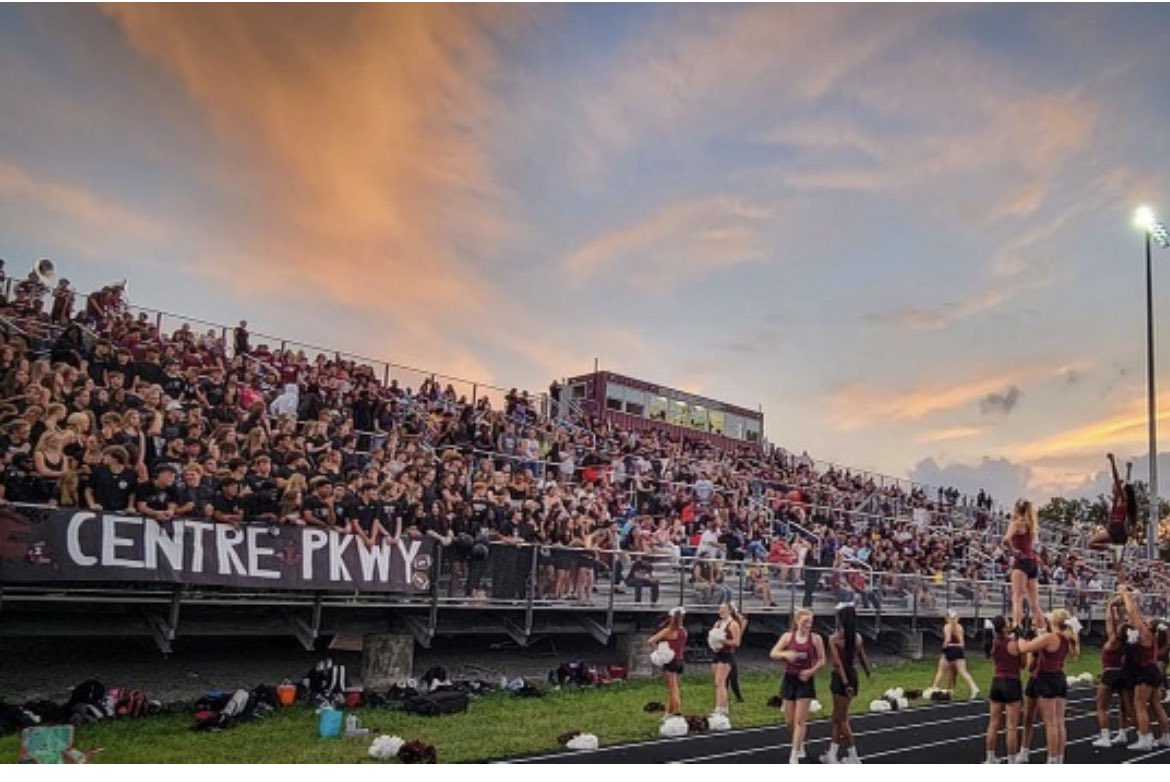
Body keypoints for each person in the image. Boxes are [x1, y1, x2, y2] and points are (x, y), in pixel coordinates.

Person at [1018, 608, 1080, 763]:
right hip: (1056, 679)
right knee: (1057, 721)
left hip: (1045, 679)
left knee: (1051, 723)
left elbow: (1024, 648)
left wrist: (1019, 635)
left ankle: (1051, 759)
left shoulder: (1051, 637)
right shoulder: (1065, 638)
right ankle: (1058, 758)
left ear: (1054, 621)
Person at [770, 607, 825, 764]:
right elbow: (773, 653)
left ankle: (794, 754)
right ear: (797, 621)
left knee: (800, 720)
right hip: (789, 679)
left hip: (805, 681)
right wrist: (786, 654)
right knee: (789, 720)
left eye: (810, 621)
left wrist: (810, 671)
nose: (808, 624)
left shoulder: (816, 639)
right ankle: (799, 743)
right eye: (805, 621)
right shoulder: (788, 637)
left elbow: (822, 659)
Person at [1119, 587, 1170, 750]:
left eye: (1147, 620)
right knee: (1156, 704)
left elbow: (1133, 613)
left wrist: (1125, 594)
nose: (1144, 619)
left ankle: (1145, 739)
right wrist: (1133, 597)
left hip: (1146, 672)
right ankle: (1165, 736)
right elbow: (1137, 614)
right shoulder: (1152, 635)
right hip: (1154, 671)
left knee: (1139, 705)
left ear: (1149, 625)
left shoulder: (1145, 633)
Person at [821, 602, 871, 764]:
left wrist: (845, 683)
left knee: (842, 719)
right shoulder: (857, 637)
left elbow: (837, 663)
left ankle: (853, 756)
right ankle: (832, 753)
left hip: (841, 679)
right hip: (853, 676)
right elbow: (862, 657)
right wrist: (868, 674)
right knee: (837, 716)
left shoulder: (834, 638)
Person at [1093, 595, 1136, 747]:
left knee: (1101, 706)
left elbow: (1109, 621)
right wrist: (1119, 608)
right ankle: (1140, 734)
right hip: (1122, 674)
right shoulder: (1126, 641)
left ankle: (1105, 737)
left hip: (1110, 674)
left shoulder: (1113, 640)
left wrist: (1110, 606)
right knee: (1126, 707)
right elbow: (1121, 623)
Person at [981, 615, 1022, 763]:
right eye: (1008, 621)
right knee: (1011, 726)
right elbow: (1022, 665)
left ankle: (990, 757)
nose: (1011, 622)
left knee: (993, 723)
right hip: (1012, 682)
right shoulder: (1014, 644)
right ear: (1005, 627)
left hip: (997, 682)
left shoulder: (993, 643)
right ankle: (1011, 760)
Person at [1003, 499, 1044, 632]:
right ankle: (1041, 629)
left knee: (1017, 598)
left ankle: (1017, 628)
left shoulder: (1017, 523)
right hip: (1032, 562)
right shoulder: (1031, 524)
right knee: (1034, 603)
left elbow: (1006, 539)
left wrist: (1013, 551)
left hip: (1021, 561)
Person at [1088, 454, 1135, 567]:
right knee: (1091, 543)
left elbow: (1117, 478)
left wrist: (1112, 462)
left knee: (1117, 565)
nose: (1112, 487)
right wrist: (1129, 469)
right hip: (1112, 530)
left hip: (1118, 531)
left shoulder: (1122, 499)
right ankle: (1111, 548)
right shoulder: (1115, 500)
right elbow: (1126, 482)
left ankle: (1114, 549)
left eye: (1114, 486)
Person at [646, 607, 687, 717]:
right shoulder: (684, 631)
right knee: (674, 689)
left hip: (670, 662)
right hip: (680, 660)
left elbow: (650, 641)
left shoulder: (668, 631)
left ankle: (677, 713)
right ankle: (669, 712)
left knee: (672, 690)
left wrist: (658, 649)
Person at [930, 610, 980, 699]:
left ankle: (933, 688)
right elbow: (962, 643)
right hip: (959, 649)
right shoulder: (960, 627)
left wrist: (945, 644)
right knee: (962, 671)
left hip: (949, 649)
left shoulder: (947, 626)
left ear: (947, 618)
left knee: (941, 670)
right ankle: (973, 687)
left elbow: (948, 639)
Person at [709, 602, 741, 716]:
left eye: (724, 609)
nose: (721, 611)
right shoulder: (717, 623)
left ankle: (721, 708)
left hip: (727, 655)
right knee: (717, 683)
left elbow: (736, 642)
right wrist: (713, 642)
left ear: (730, 611)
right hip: (716, 653)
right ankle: (722, 705)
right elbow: (712, 637)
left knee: (720, 682)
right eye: (720, 609)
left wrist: (722, 641)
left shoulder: (733, 624)